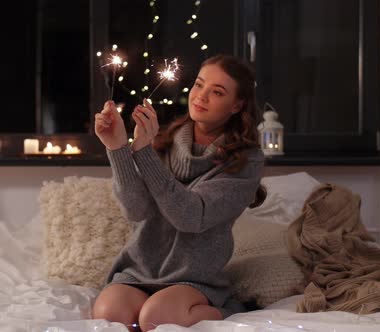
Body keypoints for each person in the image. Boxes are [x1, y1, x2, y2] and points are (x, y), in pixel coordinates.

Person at [92, 54, 265, 332]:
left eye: (217, 92)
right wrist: (118, 149)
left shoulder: (246, 161)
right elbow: (137, 211)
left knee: (156, 319)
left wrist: (143, 153)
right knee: (109, 317)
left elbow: (191, 217)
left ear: (237, 105)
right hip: (140, 271)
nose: (202, 96)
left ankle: (226, 309)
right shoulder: (162, 140)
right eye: (199, 85)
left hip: (193, 279)